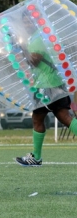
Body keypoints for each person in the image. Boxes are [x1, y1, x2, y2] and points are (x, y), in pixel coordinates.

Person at [14, 13, 77, 166]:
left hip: (46, 86)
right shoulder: (40, 36)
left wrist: (21, 48)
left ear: (36, 22)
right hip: (52, 83)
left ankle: (36, 157)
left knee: (43, 118)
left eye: (29, 21)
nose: (27, 25)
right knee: (62, 116)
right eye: (25, 22)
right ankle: (36, 156)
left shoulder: (37, 39)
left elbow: (34, 61)